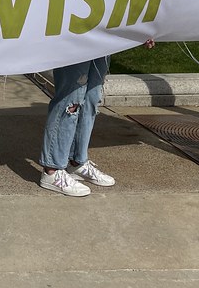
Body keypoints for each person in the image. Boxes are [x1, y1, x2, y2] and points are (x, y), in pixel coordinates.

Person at [38, 45, 152, 196]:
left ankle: (76, 161)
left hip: (103, 35)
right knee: (70, 99)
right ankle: (52, 171)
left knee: (92, 97)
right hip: (76, 32)